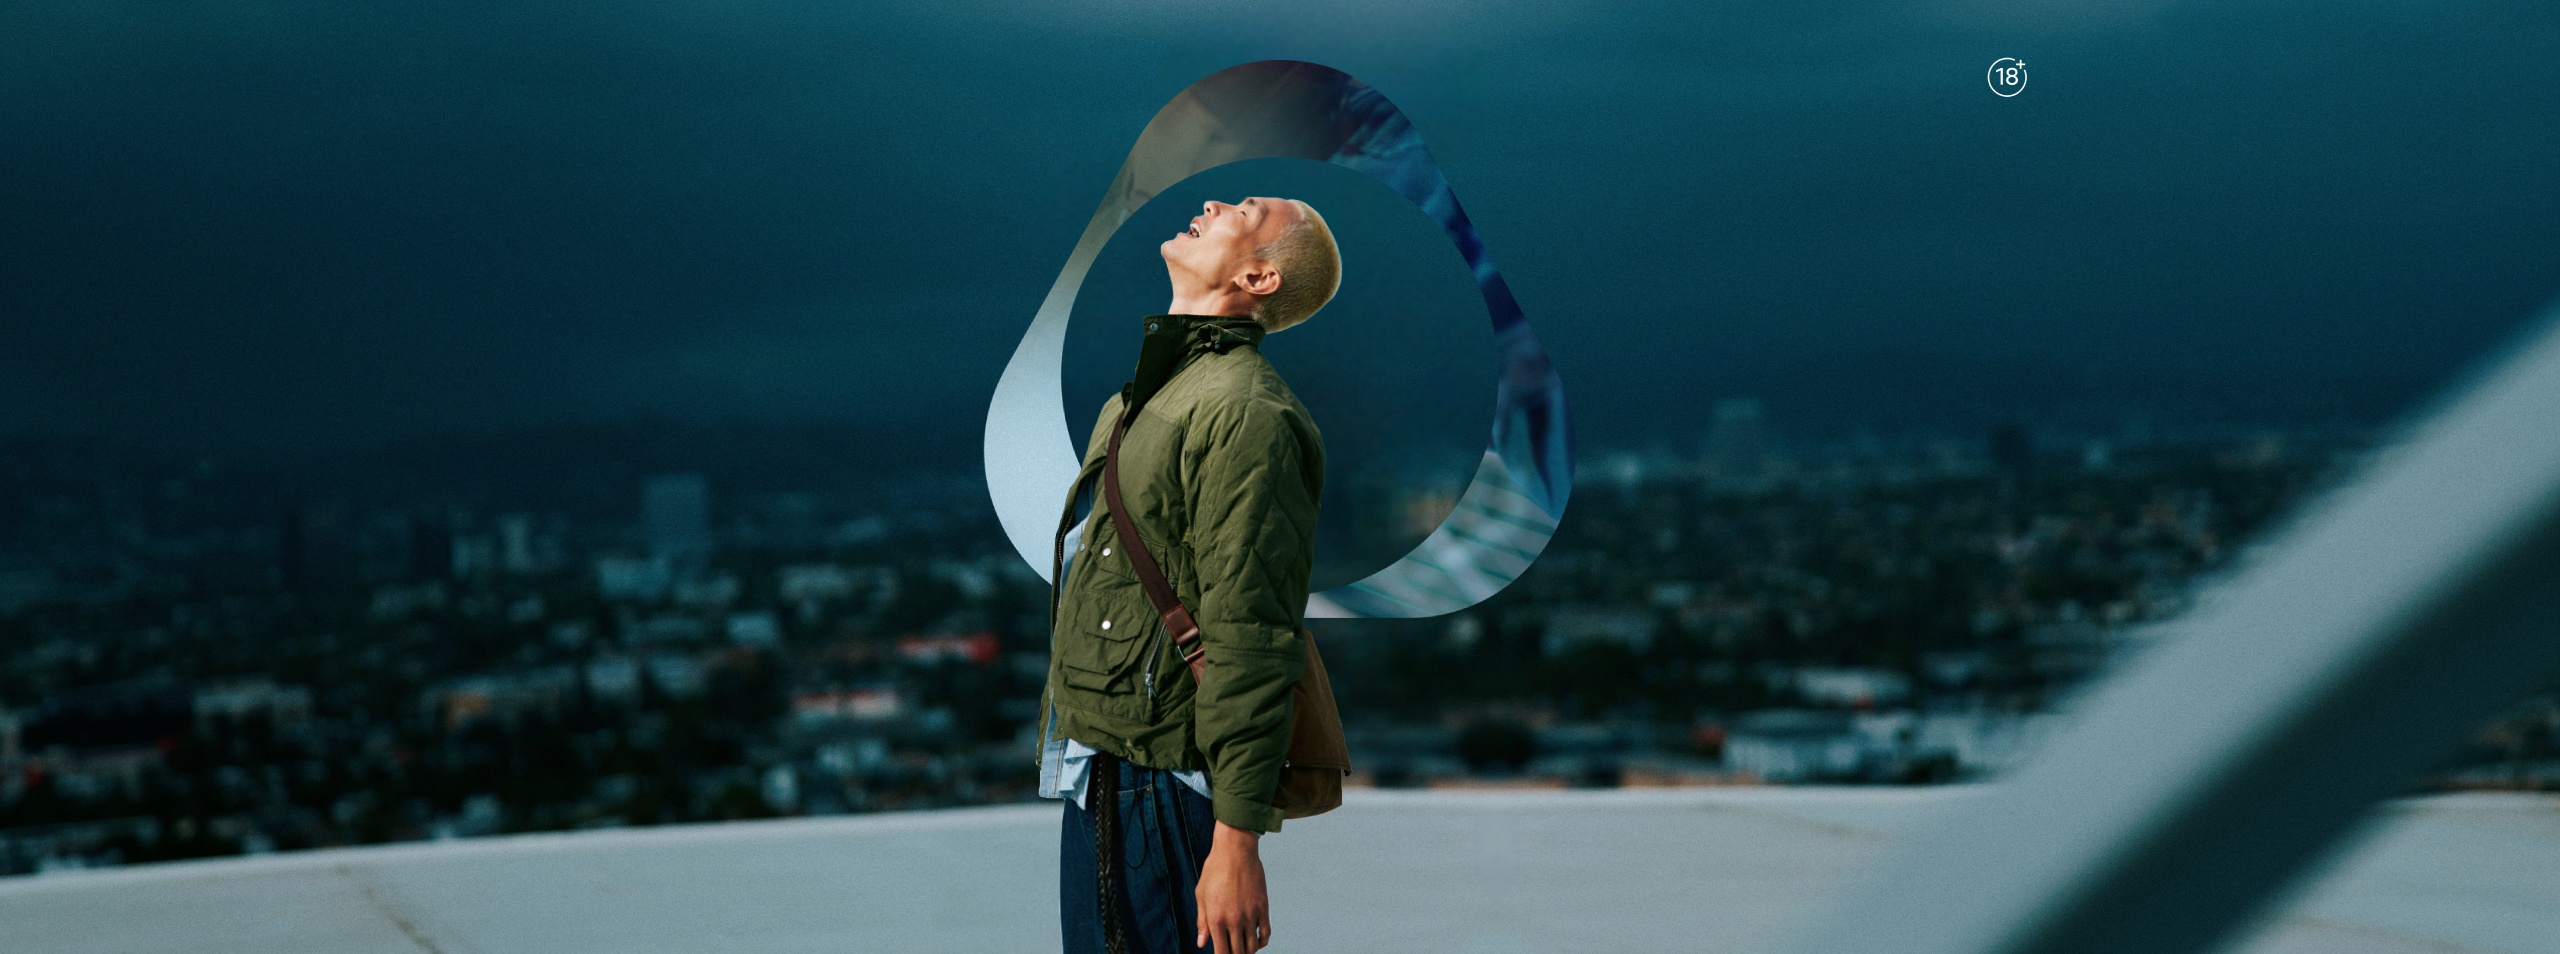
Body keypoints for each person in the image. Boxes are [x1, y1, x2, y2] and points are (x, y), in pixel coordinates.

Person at [1039, 196, 1340, 954]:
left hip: (1165, 789)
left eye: (1247, 210)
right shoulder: (1139, 399)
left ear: (1259, 276)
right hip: (1103, 772)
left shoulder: (1248, 415)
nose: (1213, 203)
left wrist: (1235, 844)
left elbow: (1253, 633)